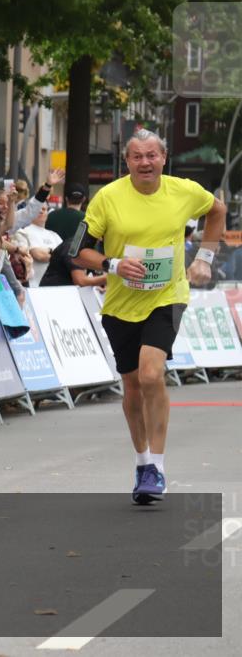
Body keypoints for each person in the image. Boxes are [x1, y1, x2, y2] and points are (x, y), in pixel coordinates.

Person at [73, 129, 227, 505]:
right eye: (137, 157)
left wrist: (204, 258)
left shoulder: (184, 191)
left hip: (167, 296)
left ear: (164, 157)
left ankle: (157, 465)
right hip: (121, 303)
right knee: (132, 385)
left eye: (151, 156)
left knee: (151, 373)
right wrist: (114, 264)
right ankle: (142, 461)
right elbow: (78, 252)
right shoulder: (107, 198)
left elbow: (217, 211)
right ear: (127, 162)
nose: (145, 163)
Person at [15, 197, 63, 287]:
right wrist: (57, 254)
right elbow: (38, 255)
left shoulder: (54, 235)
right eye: (38, 209)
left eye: (44, 209)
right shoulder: (24, 232)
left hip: (56, 287)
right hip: (35, 286)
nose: (41, 211)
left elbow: (66, 257)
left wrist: (49, 252)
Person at [40, 238, 107, 288]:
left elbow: (95, 277)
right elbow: (80, 281)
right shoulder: (74, 246)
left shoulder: (99, 248)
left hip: (77, 298)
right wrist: (108, 279)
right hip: (52, 295)